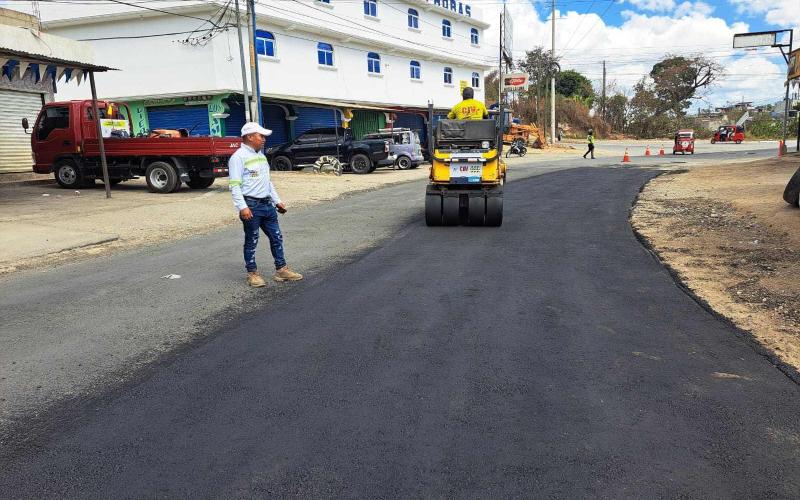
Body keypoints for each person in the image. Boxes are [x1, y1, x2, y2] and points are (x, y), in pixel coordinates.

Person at [229, 122, 303, 287]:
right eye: (260, 136)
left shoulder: (261, 156)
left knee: (276, 237)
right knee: (252, 239)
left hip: (267, 205)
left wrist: (277, 201)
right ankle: (252, 273)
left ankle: (281, 269)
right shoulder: (238, 157)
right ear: (249, 137)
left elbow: (268, 183)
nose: (263, 139)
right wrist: (242, 207)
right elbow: (234, 185)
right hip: (251, 206)